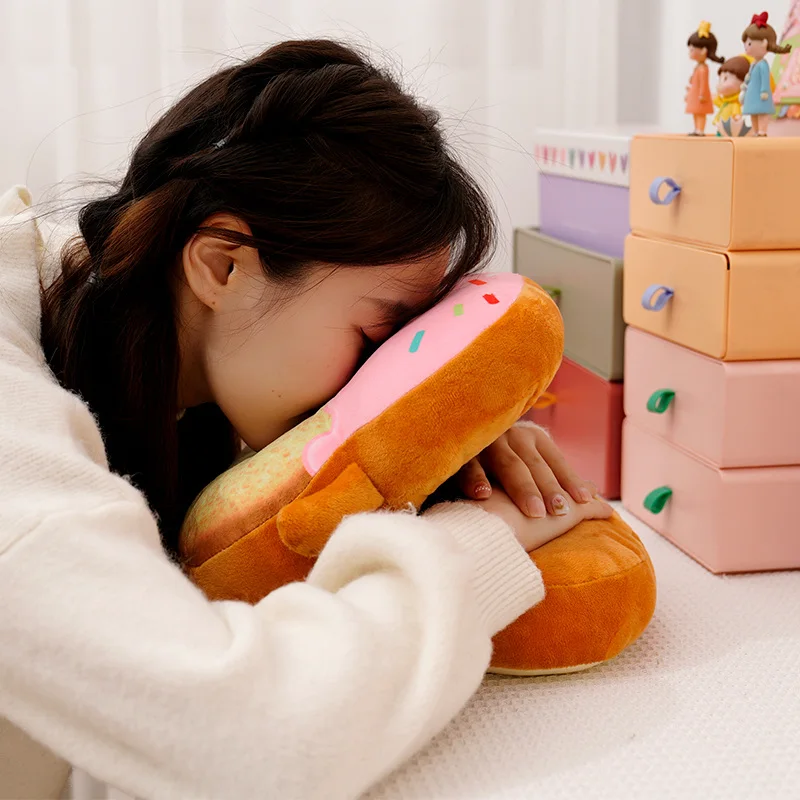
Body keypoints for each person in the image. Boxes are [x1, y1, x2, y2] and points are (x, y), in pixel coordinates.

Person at [0, 39, 611, 799]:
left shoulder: (147, 333)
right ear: (223, 265)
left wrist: (436, 431)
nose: (381, 379)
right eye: (379, 335)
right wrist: (478, 542)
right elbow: (247, 739)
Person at [685, 21, 725, 136]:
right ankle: (696, 129)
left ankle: (700, 129)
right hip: (695, 93)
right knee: (695, 112)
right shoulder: (698, 67)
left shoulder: (703, 69)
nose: (690, 52)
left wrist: (702, 94)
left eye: (692, 49)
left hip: (700, 95)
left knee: (700, 112)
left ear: (703, 50)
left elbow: (703, 82)